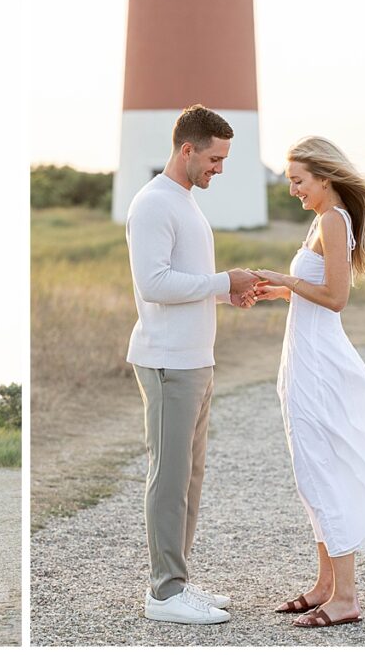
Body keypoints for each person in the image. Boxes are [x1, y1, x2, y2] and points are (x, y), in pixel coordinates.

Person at [252, 136, 365, 628]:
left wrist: (283, 280)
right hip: (304, 357)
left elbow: (335, 298)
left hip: (320, 364)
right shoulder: (321, 218)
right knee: (311, 469)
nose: (292, 189)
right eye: (290, 181)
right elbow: (314, 297)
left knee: (322, 469)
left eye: (298, 181)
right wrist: (277, 293)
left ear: (324, 178)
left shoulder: (332, 218)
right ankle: (325, 585)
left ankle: (345, 597)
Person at [125, 104, 259, 625]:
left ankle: (177, 579)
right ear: (188, 149)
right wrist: (224, 281)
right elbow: (154, 285)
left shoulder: (185, 201)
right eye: (215, 158)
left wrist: (231, 295)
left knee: (190, 478)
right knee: (169, 476)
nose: (219, 169)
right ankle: (164, 594)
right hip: (166, 363)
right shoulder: (155, 203)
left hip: (196, 361)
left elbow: (189, 282)